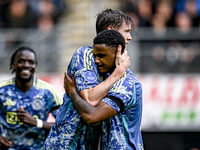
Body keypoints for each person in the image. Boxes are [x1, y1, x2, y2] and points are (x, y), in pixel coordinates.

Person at [43, 9, 143, 149]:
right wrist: (118, 72)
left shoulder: (124, 77)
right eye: (126, 31)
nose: (130, 37)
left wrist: (118, 71)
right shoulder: (85, 55)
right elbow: (90, 98)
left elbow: (94, 116)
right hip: (64, 145)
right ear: (111, 30)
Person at [65, 30, 144, 149]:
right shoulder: (108, 81)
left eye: (102, 56)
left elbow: (92, 117)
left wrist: (73, 93)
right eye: (95, 56)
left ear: (118, 53)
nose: (96, 61)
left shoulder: (125, 84)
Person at [0, 46, 61, 150]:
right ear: (13, 65)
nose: (26, 65)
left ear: (35, 66)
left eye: (31, 62)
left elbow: (65, 125)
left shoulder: (48, 92)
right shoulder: (2, 90)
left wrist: (36, 122)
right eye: (21, 61)